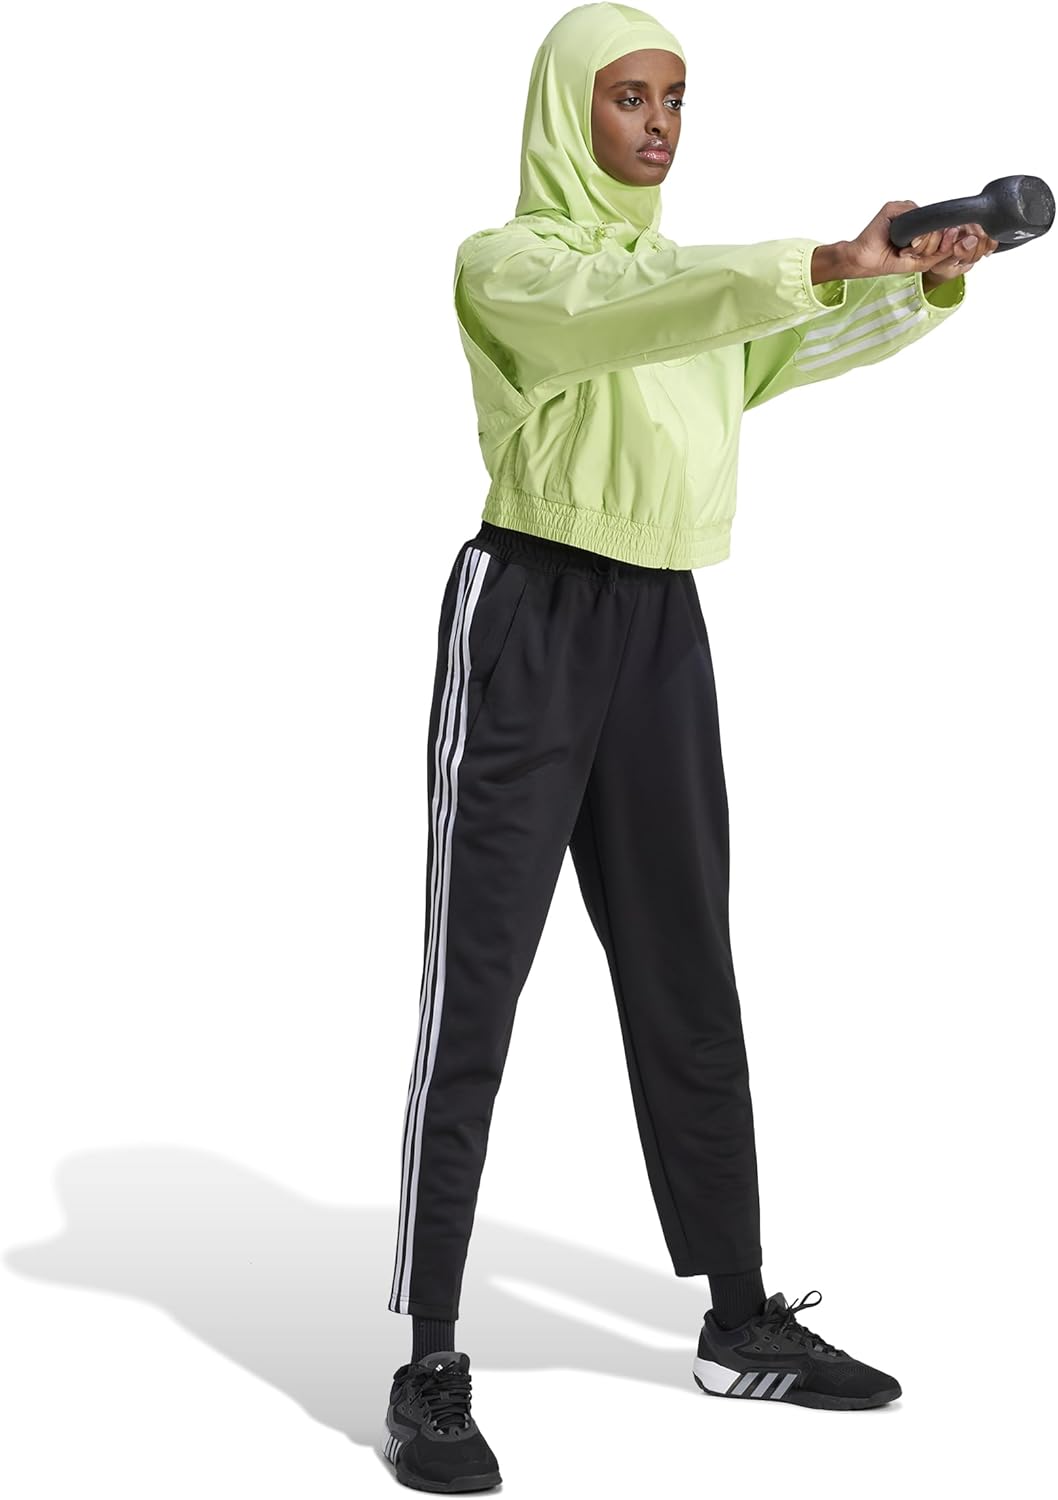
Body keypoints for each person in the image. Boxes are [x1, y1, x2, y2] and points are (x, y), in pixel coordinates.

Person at [382, 3, 995, 1489]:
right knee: (478, 989)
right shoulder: (510, 264)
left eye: (674, 98)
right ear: (565, 111)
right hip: (527, 619)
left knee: (688, 974)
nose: (657, 124)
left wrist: (918, 278)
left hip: (660, 628)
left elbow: (780, 336)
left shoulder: (697, 287)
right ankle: (429, 1359)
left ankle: (737, 1320)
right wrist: (825, 255)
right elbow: (637, 308)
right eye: (628, 98)